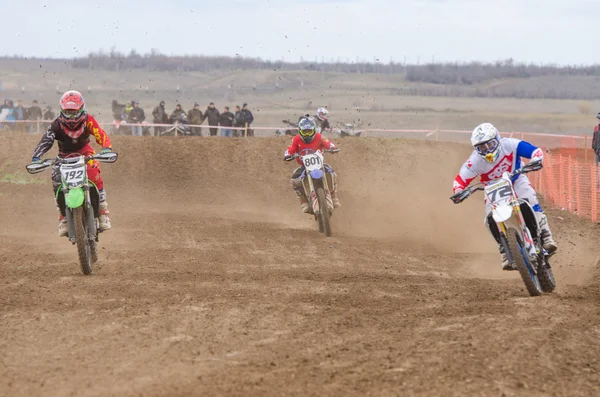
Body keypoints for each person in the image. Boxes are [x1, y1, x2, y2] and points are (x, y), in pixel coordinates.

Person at [452, 122, 557, 270]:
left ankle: (545, 234)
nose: (487, 150)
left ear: (497, 139)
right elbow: (460, 179)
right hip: (492, 188)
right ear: (477, 149)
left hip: (516, 179)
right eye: (482, 147)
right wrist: (458, 191)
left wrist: (536, 160)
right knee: (490, 217)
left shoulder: (510, 144)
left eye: (490, 144)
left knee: (530, 197)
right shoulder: (475, 160)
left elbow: (535, 151)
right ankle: (504, 250)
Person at [31, 90, 113, 237]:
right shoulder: (57, 124)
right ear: (62, 110)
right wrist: (37, 157)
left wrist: (106, 148)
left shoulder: (88, 120)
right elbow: (46, 140)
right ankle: (63, 217)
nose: (71, 116)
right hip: (64, 156)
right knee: (56, 179)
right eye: (68, 112)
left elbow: (100, 133)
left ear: (81, 109)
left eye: (74, 112)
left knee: (94, 172)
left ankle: (102, 211)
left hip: (85, 153)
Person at [283, 117, 341, 213]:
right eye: (304, 132)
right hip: (305, 166)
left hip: (319, 164)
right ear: (300, 131)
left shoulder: (319, 137)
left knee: (332, 172)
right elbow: (290, 148)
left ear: (314, 130)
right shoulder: (296, 139)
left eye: (309, 131)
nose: (307, 134)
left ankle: (334, 196)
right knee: (294, 180)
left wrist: (332, 147)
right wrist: (287, 154)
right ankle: (303, 201)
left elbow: (328, 143)